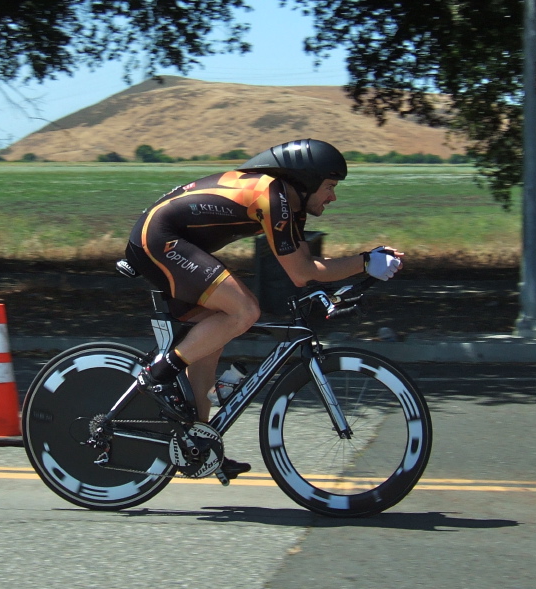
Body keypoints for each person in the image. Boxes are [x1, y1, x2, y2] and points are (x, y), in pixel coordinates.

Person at [124, 139, 403, 479]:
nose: (333, 196)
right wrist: (364, 262)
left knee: (213, 336)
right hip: (158, 238)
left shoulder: (288, 201)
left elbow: (305, 263)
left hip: (172, 239)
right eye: (329, 187)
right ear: (308, 181)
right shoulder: (275, 196)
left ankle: (197, 443)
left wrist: (365, 264)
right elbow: (302, 274)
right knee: (244, 311)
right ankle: (159, 374)